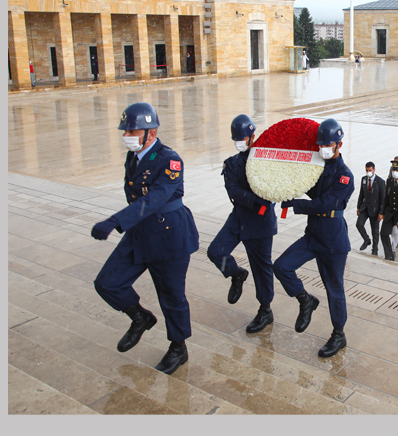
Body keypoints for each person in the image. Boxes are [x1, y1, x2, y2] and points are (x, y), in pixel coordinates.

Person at [91, 102, 199, 375]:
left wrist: (116, 221)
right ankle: (140, 317)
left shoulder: (169, 159)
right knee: (107, 283)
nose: (127, 135)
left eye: (132, 130)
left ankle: (178, 347)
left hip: (169, 236)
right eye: (125, 130)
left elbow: (155, 198)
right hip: (140, 233)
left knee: (172, 297)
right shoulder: (135, 156)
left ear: (151, 132)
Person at [275, 118, 355, 358]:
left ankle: (338, 335)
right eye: (321, 145)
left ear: (339, 144)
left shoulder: (345, 176)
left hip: (333, 242)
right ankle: (305, 300)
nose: (324, 149)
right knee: (281, 266)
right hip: (312, 237)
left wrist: (297, 204)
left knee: (334, 290)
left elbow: (326, 203)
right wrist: (287, 183)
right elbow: (308, 186)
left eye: (328, 145)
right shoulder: (317, 166)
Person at [207, 114, 277, 334]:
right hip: (238, 218)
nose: (240, 142)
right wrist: (255, 198)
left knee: (261, 268)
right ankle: (237, 274)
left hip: (261, 223)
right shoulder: (232, 163)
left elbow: (273, 189)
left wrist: (257, 199)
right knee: (215, 251)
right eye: (236, 139)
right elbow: (233, 190)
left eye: (243, 138)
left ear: (252, 136)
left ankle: (265, 310)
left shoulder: (267, 161)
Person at [356, 161, 385, 256]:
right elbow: (361, 193)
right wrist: (358, 207)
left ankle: (375, 249)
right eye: (367, 170)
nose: (368, 172)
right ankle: (366, 240)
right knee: (359, 224)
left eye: (370, 170)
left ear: (374, 170)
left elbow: (383, 198)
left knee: (375, 231)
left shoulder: (380, 182)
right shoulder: (364, 179)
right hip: (365, 207)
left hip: (375, 209)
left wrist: (381, 212)